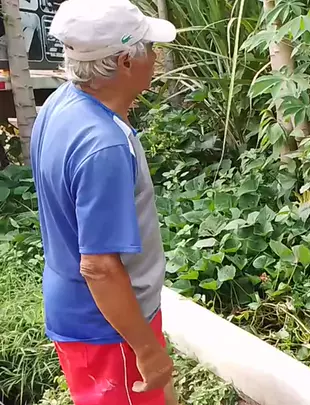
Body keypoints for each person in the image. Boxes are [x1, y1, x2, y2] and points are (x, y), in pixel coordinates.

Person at [30, 0, 179, 404]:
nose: (156, 57)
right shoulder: (104, 147)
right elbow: (98, 267)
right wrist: (146, 348)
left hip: (86, 311)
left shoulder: (63, 103)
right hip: (109, 328)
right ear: (126, 62)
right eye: (150, 48)